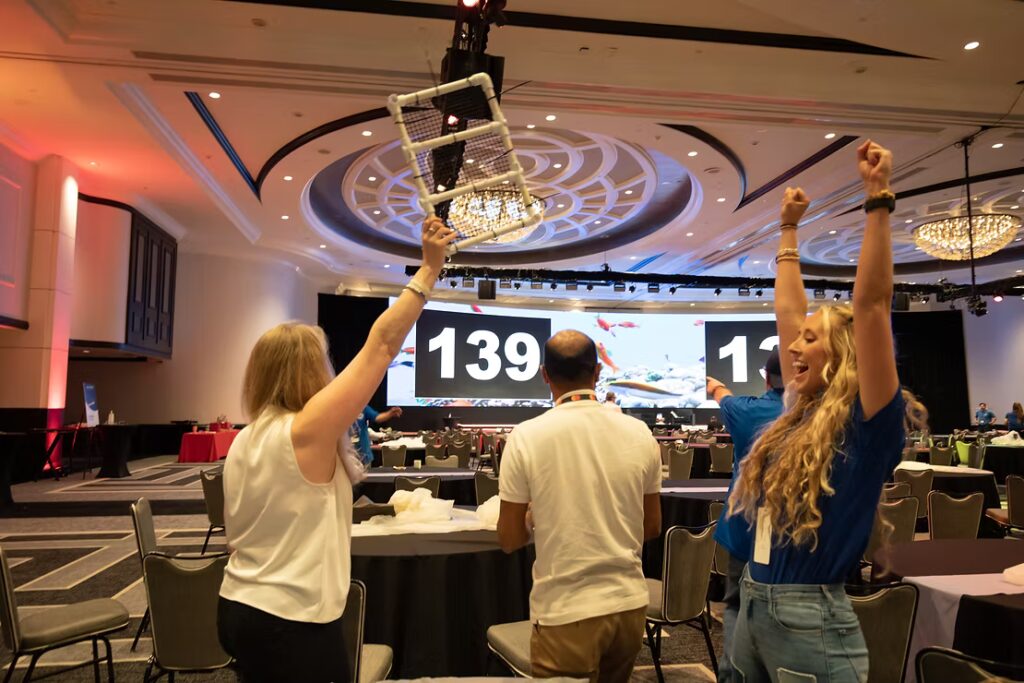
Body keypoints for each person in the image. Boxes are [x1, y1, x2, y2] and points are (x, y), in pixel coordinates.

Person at [217, 217, 455, 683]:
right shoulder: (306, 430)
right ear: (312, 372)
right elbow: (383, 345)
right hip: (291, 620)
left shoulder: (247, 435)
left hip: (239, 606)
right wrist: (428, 271)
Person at [727, 141, 908, 682]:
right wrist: (786, 230)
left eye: (810, 339)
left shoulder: (868, 421)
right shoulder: (798, 413)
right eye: (796, 340)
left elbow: (872, 305)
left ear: (843, 356)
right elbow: (787, 308)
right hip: (752, 603)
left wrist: (878, 198)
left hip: (809, 619)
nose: (794, 348)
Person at [497, 330, 662, 682]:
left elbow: (509, 539)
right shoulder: (639, 433)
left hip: (565, 612)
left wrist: (535, 518)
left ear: (544, 374)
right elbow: (651, 527)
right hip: (629, 606)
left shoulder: (526, 436)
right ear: (598, 371)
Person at [705, 347, 786, 683]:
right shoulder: (823, 414)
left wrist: (716, 386)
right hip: (802, 535)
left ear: (766, 378)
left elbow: (722, 395)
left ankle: (733, 674)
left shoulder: (745, 411)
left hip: (747, 530)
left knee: (737, 604)